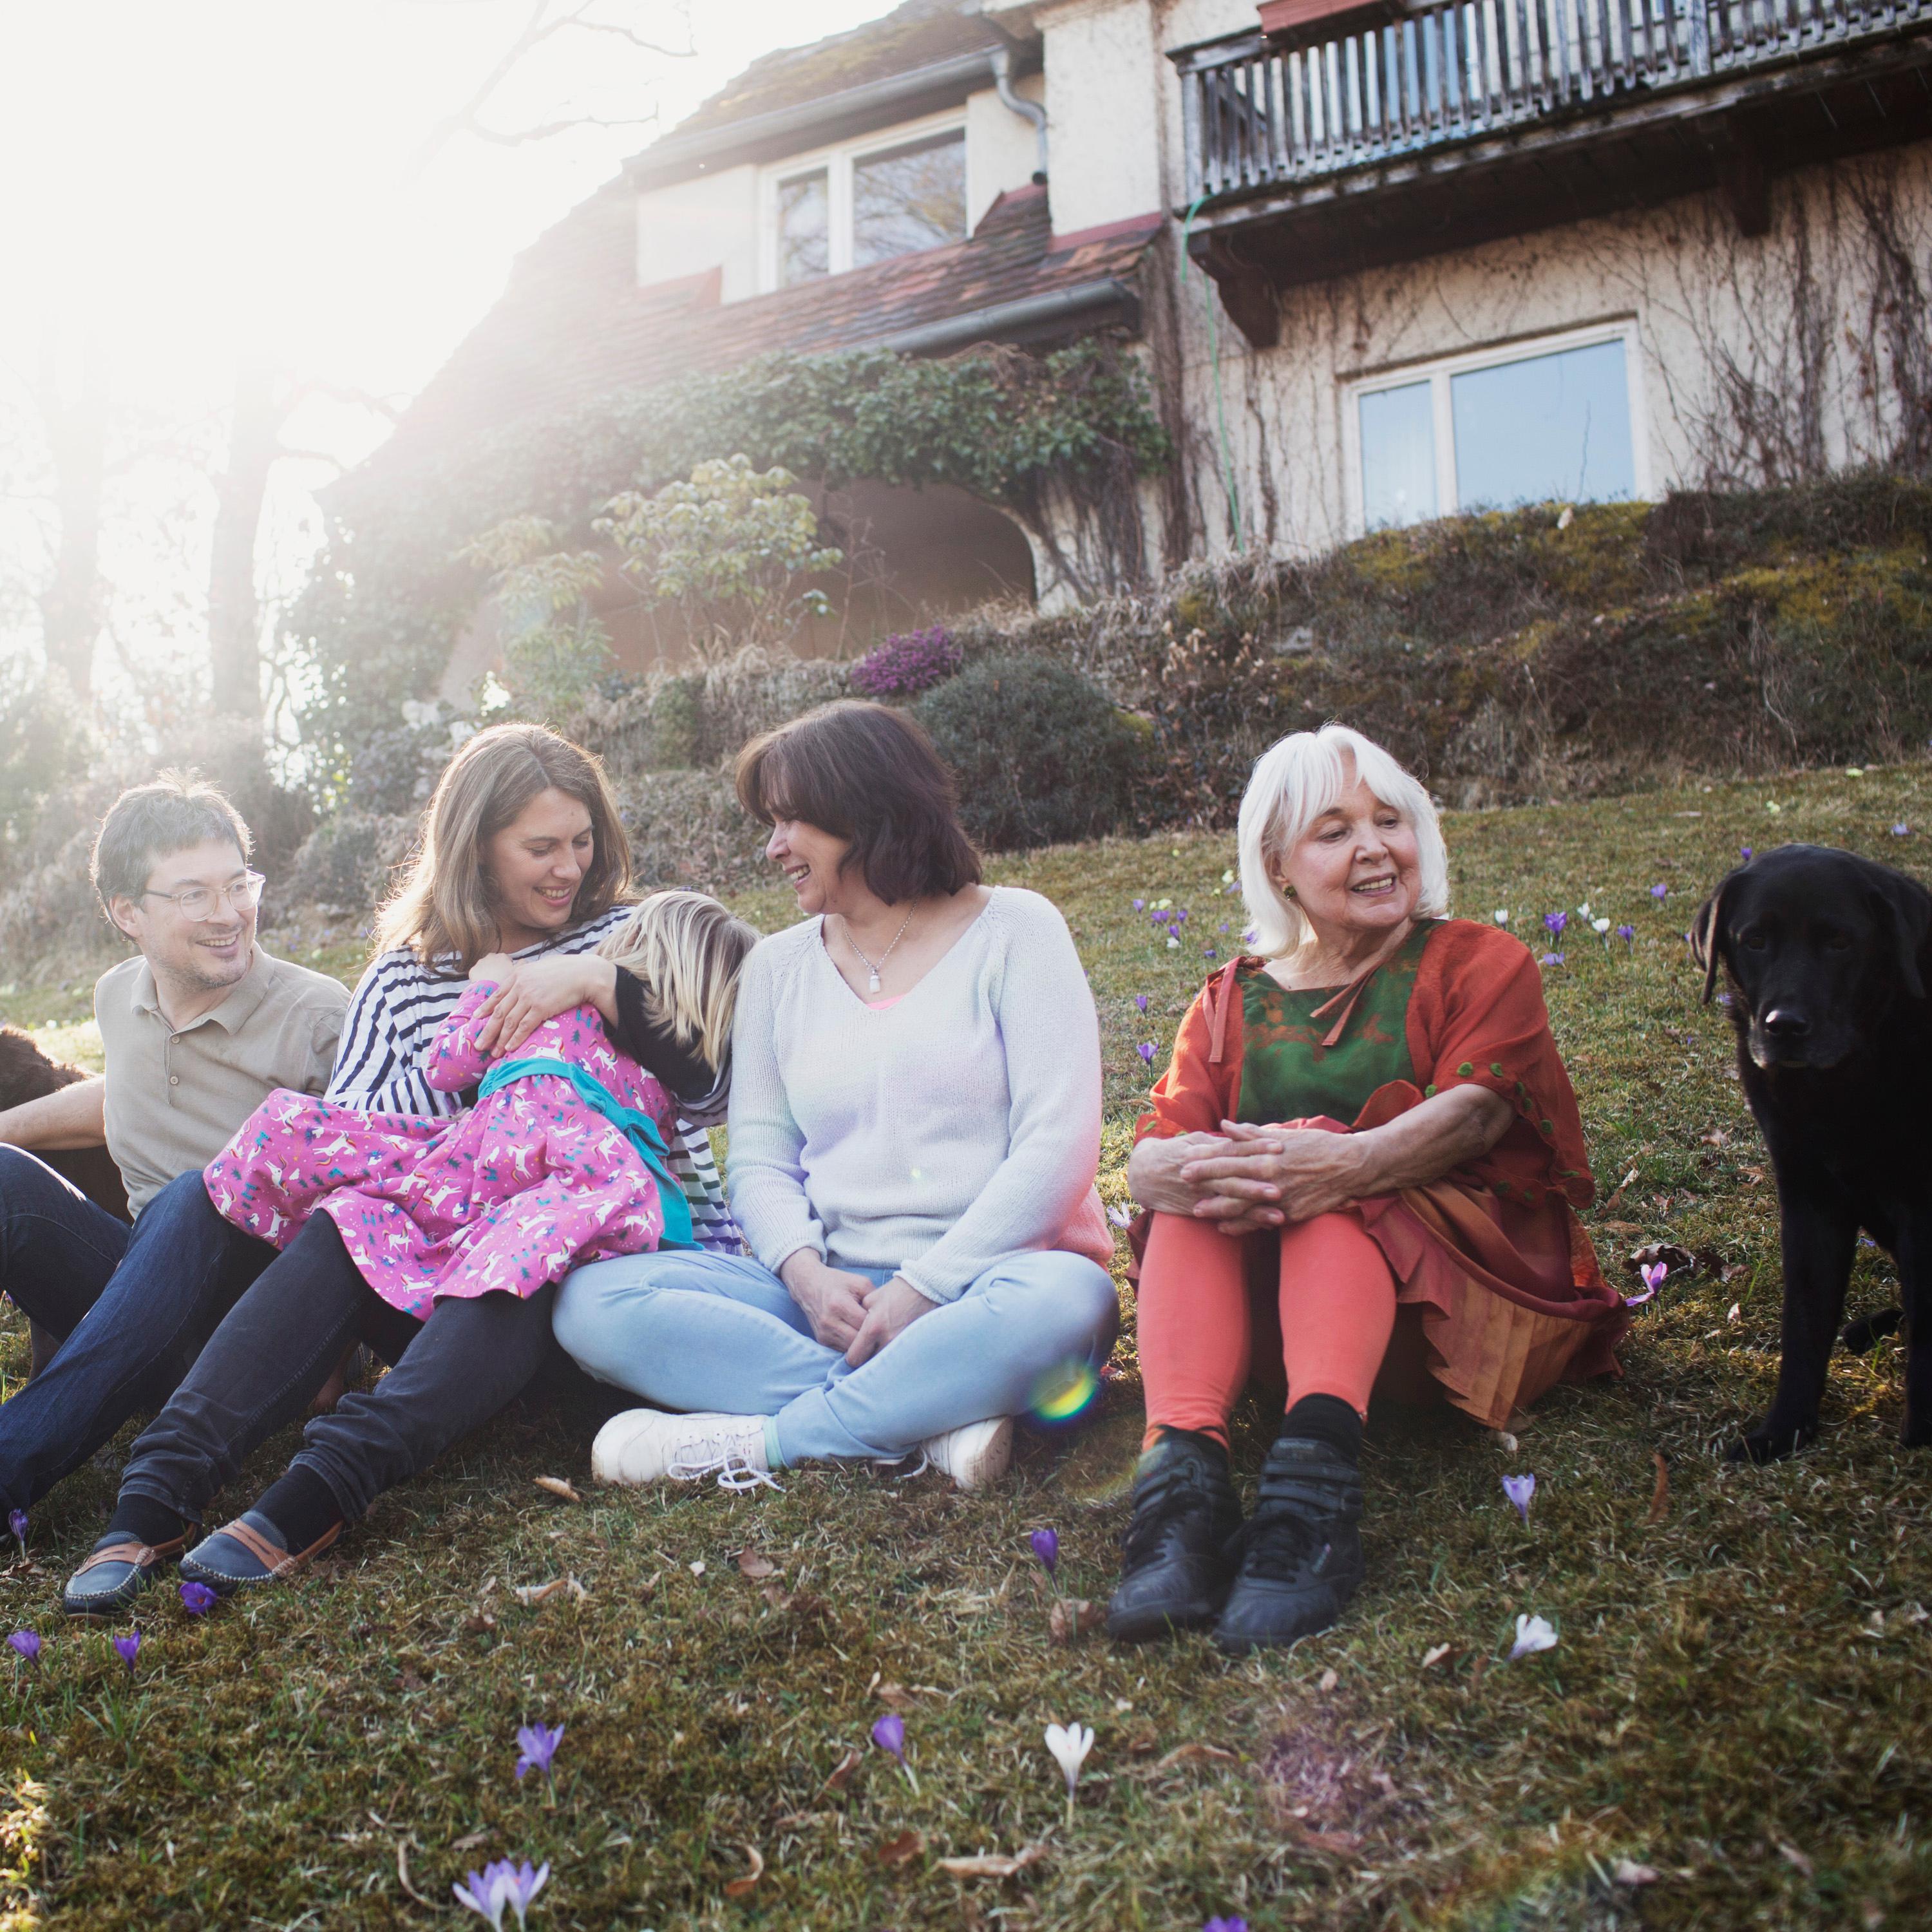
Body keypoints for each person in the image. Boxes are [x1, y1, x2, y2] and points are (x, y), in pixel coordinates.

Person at [60, 723, 737, 1615]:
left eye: (582, 843)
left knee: (520, 1231)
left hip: (606, 1262)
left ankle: (321, 1491)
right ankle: (157, 1493)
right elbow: (374, 1150)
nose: (567, 868)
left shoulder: (630, 936)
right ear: (475, 849)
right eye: (540, 847)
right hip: (446, 1270)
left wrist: (596, 987)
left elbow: (718, 1082)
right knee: (355, 1217)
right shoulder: (405, 980)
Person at [1108, 724, 1627, 1653]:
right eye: (1335, 831)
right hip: (1272, 1335)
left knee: (1306, 1163)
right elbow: (1154, 1150)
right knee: (1201, 1182)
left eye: (1391, 821)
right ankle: (1180, 1500)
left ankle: (1310, 1505)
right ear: (1279, 863)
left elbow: (1475, 1116)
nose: (1376, 848)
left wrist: (1333, 1164)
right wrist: (1178, 1169)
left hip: (1448, 1315)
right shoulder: (1231, 997)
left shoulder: (1480, 960)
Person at [553, 699, 1121, 1493]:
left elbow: (1058, 1147)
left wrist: (925, 1290)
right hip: (836, 1300)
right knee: (592, 1300)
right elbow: (757, 1158)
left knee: (1072, 1302)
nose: (773, 846)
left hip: (996, 1281)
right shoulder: (779, 971)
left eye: (790, 823)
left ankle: (766, 1443)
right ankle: (927, 1418)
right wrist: (806, 1275)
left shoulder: (1017, 931)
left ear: (865, 812)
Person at [0, 772, 348, 1519]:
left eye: (238, 886)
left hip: (264, 1340)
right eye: (194, 895)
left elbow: (378, 1195)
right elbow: (128, 1093)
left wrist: (333, 1359)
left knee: (197, 1196)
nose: (229, 916)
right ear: (127, 912)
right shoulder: (117, 998)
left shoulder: (320, 1019)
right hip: (142, 1301)